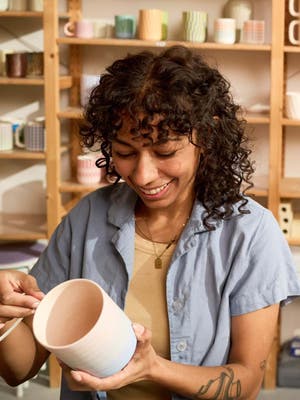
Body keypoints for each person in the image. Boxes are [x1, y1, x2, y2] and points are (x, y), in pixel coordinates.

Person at [0, 45, 299, 400]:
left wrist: (152, 367)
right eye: (125, 153)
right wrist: (5, 317)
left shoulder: (250, 233)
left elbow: (246, 382)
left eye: (165, 152)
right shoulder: (87, 220)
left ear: (207, 136)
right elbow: (20, 371)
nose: (143, 175)